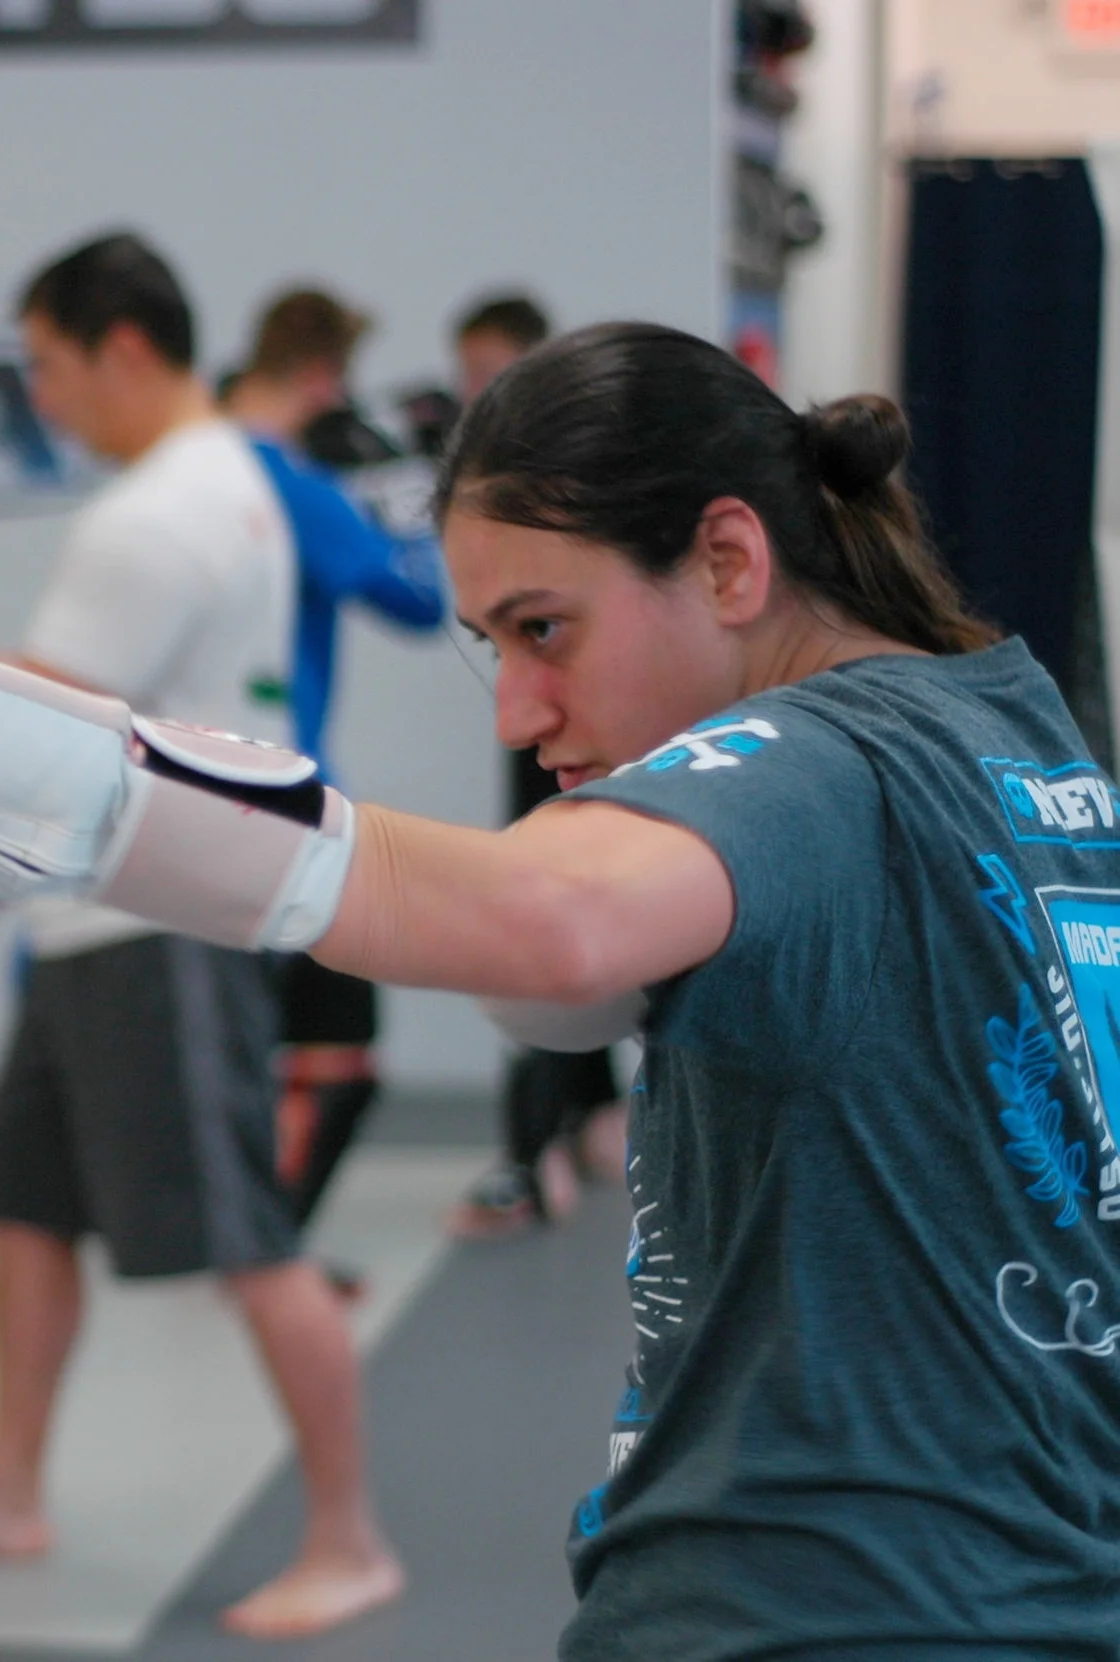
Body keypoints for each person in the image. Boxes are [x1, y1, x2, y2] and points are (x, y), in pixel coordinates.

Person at [0, 319, 1120, 1657]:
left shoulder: (812, 766)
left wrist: (9, 766)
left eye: (547, 628)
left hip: (818, 1609)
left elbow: (549, 919)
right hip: (1022, 1577)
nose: (516, 710)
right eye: (493, 643)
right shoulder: (1007, 725)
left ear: (726, 559)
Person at [0, 232, 402, 1640]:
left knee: (250, 1242)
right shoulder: (230, 482)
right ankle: (7, 1485)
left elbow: (40, 722)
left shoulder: (156, 513)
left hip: (162, 923)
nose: (38, 396)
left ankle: (349, 1536)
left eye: (43, 362)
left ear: (124, 350)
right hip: (104, 916)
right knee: (26, 1209)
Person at [224, 293, 446, 1244]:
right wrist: (402, 485)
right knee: (339, 1044)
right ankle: (264, 1246)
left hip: (198, 785)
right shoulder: (295, 488)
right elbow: (421, 599)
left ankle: (252, 1239)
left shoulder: (194, 470)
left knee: (254, 1029)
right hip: (288, 795)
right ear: (321, 380)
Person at [428, 292, 634, 1237]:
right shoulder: (491, 492)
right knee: (544, 899)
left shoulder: (571, 495)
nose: (473, 393)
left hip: (607, 742)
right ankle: (584, 1120)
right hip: (565, 750)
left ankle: (531, 1153)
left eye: (488, 373)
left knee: (548, 911)